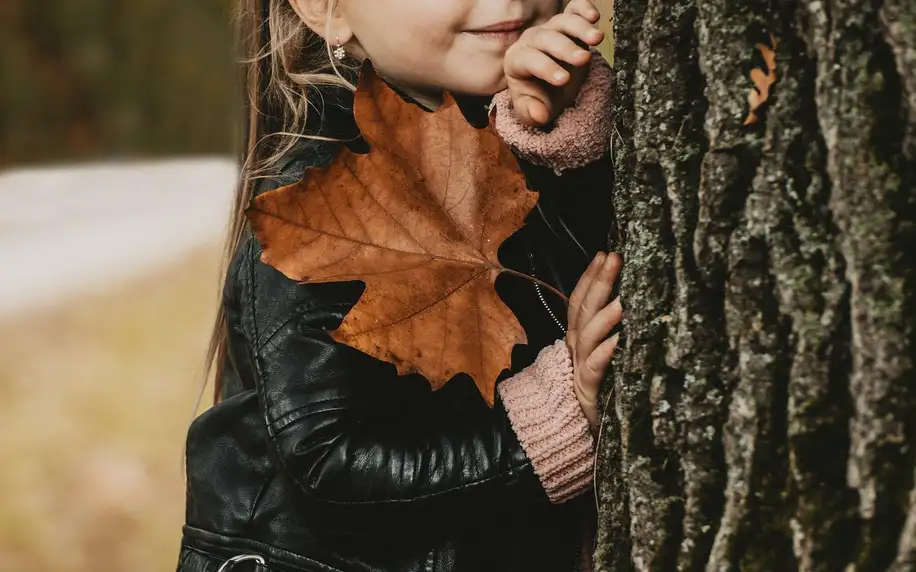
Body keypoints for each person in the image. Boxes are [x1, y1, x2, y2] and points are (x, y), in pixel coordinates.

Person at [178, 0, 622, 570]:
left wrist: (564, 133)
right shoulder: (321, 208)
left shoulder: (499, 126)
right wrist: (556, 416)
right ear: (324, 8)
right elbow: (329, 469)